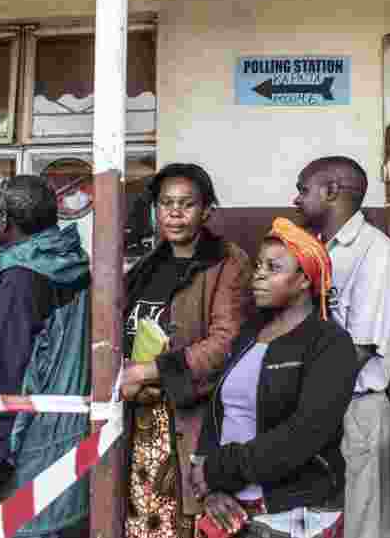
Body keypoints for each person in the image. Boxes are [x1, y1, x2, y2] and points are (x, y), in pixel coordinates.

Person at [189, 218, 358, 538]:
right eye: (258, 265)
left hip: (293, 511)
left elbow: (304, 434)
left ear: (305, 279)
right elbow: (219, 414)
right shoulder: (249, 334)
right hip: (230, 506)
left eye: (273, 267)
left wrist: (219, 469)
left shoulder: (329, 343)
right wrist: (211, 487)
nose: (259, 274)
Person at [117, 163, 254, 538]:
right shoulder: (149, 263)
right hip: (139, 419)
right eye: (166, 203)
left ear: (207, 210)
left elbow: (227, 342)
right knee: (140, 523)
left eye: (187, 204)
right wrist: (126, 375)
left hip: (189, 421)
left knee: (182, 522)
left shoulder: (227, 262)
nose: (175, 213)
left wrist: (149, 372)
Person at [0, 175, 91, 537]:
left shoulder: (20, 280)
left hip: (24, 454)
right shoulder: (71, 263)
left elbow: (3, 372)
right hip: (67, 444)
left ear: (3, 219)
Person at [292, 156, 390, 538]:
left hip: (356, 405)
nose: (296, 199)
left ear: (332, 191)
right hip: (327, 404)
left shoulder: (375, 252)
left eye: (303, 190)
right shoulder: (320, 249)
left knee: (364, 523)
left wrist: (308, 400)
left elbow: (361, 348)